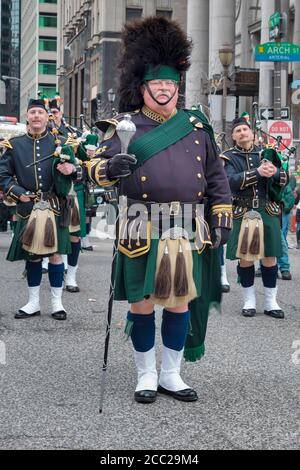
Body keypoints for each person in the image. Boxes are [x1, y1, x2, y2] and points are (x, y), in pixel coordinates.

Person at [86, 17, 232, 404]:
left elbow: (217, 178)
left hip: (187, 226)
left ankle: (171, 373)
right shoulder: (123, 126)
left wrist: (221, 218)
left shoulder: (197, 127)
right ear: (143, 87)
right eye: (157, 83)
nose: (164, 89)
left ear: (177, 86)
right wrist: (108, 168)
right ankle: (145, 373)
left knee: (180, 300)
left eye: (170, 83)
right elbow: (94, 168)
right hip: (139, 224)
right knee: (144, 303)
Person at [0, 98, 77, 320]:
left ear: (47, 117)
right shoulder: (14, 145)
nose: (36, 116)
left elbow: (76, 173)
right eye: (32, 112)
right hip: (28, 206)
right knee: (32, 255)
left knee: (54, 255)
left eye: (40, 113)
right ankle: (33, 303)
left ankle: (57, 303)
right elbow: (3, 176)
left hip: (54, 205)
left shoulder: (60, 142)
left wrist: (71, 169)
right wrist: (16, 191)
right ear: (27, 116)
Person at [223, 118, 288, 319]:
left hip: (267, 209)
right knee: (246, 258)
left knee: (270, 257)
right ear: (233, 136)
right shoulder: (228, 157)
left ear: (251, 133)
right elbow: (229, 182)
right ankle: (249, 300)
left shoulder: (268, 153)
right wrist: (257, 172)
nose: (242, 133)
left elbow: (285, 179)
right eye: (238, 131)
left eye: (245, 129)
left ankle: (270, 302)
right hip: (243, 211)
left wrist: (276, 172)